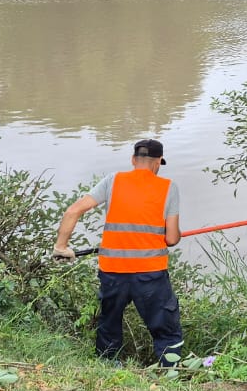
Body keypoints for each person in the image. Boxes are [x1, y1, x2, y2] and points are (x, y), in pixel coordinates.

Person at [52, 138, 183, 365]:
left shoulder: (113, 181)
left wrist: (61, 247)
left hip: (113, 271)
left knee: (109, 323)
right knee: (166, 329)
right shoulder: (168, 187)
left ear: (133, 160)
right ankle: (170, 371)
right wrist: (175, 233)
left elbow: (73, 211)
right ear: (158, 162)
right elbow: (171, 239)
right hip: (150, 273)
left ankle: (108, 367)